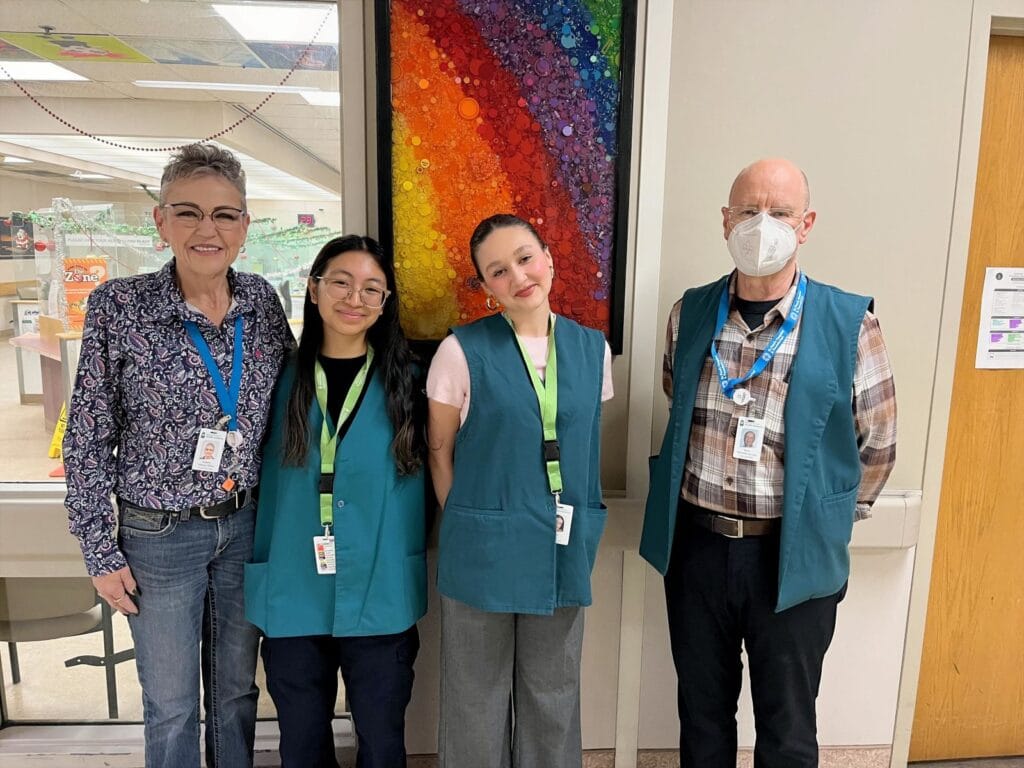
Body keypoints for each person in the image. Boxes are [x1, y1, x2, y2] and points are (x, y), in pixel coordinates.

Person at [641, 158, 897, 768]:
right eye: (748, 209)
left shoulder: (848, 322)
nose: (762, 224)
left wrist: (826, 518)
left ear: (805, 224)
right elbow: (676, 399)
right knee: (702, 715)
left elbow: (878, 443)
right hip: (699, 549)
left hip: (793, 553)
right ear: (725, 220)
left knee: (787, 725)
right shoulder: (691, 311)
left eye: (779, 212)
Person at [63, 143, 294, 768]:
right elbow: (87, 434)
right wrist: (98, 550)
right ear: (161, 220)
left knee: (237, 693)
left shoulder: (264, 303)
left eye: (224, 215)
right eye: (188, 212)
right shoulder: (120, 306)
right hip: (158, 536)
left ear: (244, 227)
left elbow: (291, 411)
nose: (206, 229)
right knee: (169, 702)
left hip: (244, 527)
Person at [427, 213, 614, 767]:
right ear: (487, 288)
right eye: (498, 270)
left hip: (560, 548)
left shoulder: (592, 351)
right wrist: (469, 522)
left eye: (525, 257)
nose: (518, 276)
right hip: (483, 552)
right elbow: (439, 450)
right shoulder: (460, 352)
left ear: (549, 258)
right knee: (474, 698)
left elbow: (581, 447)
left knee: (553, 696)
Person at [245, 235, 427, 767]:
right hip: (293, 587)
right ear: (313, 287)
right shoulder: (274, 379)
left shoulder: (412, 383)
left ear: (386, 302)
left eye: (372, 289)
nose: (355, 299)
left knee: (382, 740)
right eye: (341, 282)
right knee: (301, 745)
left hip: (382, 589)